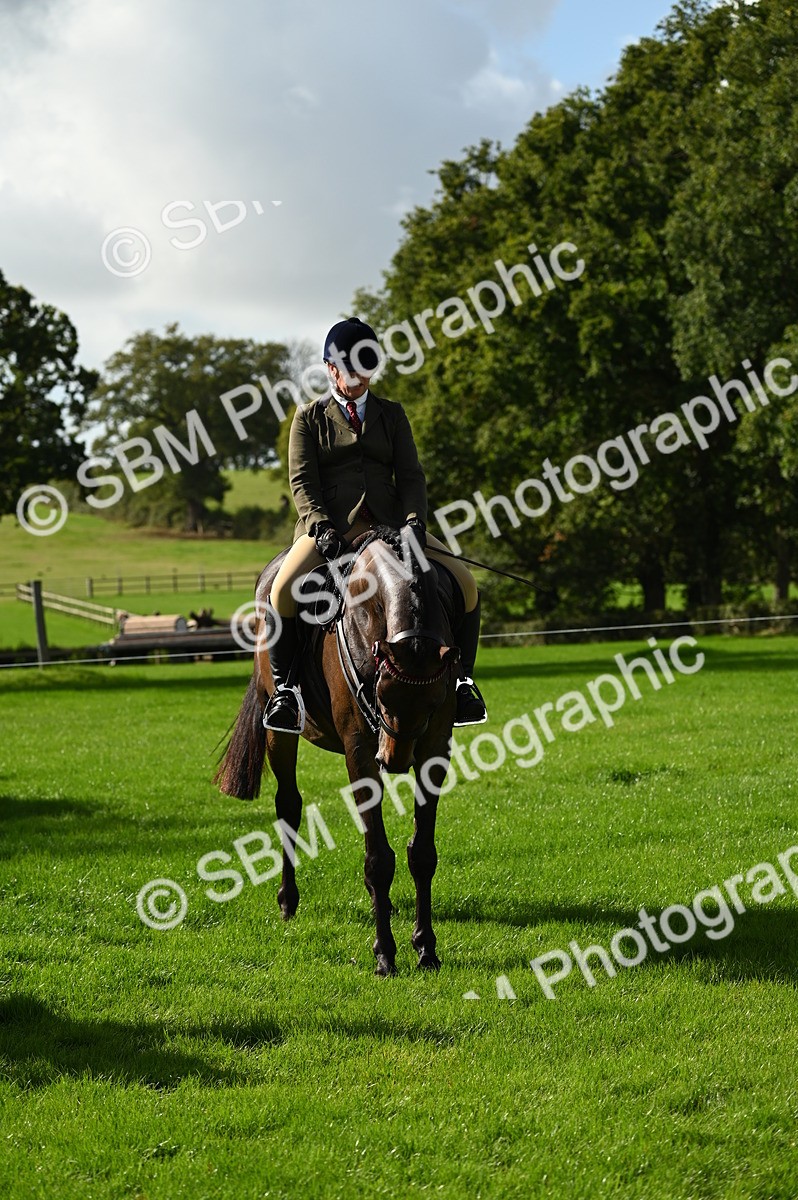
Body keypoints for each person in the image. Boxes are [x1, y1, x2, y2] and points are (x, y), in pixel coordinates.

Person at [263, 316, 487, 734]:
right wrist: (321, 528)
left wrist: (415, 521)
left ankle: (462, 683)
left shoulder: (392, 414)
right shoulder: (309, 418)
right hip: (332, 530)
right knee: (280, 591)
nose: (359, 379)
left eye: (366, 370)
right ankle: (285, 692)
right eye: (350, 371)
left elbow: (411, 475)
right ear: (330, 369)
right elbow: (302, 482)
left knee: (466, 584)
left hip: (393, 527)